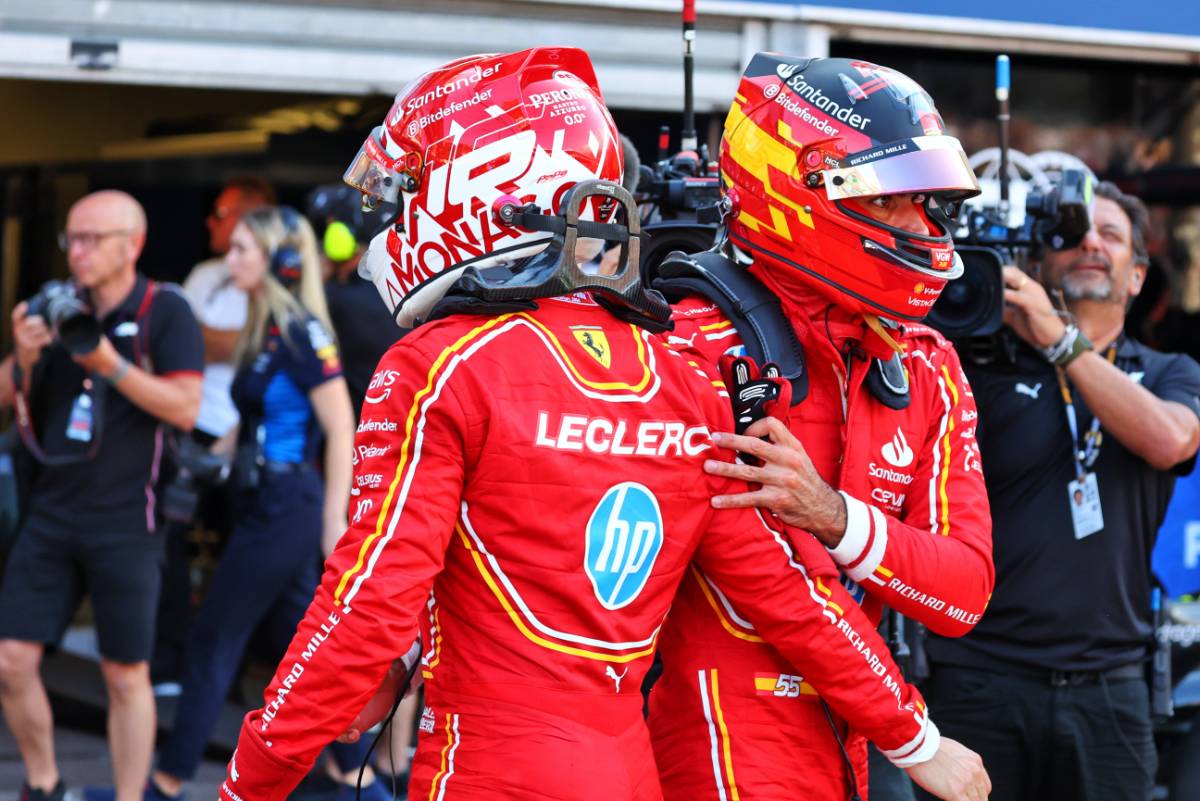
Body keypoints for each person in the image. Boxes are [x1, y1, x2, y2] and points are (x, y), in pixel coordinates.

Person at [217, 48, 989, 801]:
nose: (391, 213)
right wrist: (915, 738)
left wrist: (247, 785)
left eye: (411, 187)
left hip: (489, 765)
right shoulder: (676, 369)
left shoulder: (443, 362)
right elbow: (790, 588)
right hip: (637, 767)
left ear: (481, 185)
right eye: (890, 196)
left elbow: (367, 608)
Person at [644, 54, 995, 801]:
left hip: (858, 737)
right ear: (794, 192)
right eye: (889, 199)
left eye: (927, 200)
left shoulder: (925, 361)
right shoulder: (690, 346)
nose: (921, 226)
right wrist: (916, 736)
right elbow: (773, 591)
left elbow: (964, 593)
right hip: (722, 734)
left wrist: (836, 519)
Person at [919, 181, 1200, 801]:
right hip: (979, 675)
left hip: (1111, 687)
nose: (1092, 244)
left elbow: (1171, 441)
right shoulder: (979, 363)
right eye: (1073, 235)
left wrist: (1059, 340)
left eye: (1111, 236)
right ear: (1038, 263)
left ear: (1137, 276)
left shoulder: (1168, 373)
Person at [128, 206, 379, 801]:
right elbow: (252, 417)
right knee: (316, 654)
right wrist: (202, 459)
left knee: (214, 638)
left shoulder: (301, 330)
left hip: (289, 506)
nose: (230, 259)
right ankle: (357, 779)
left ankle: (166, 782)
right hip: (264, 498)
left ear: (279, 260)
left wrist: (333, 525)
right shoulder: (263, 325)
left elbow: (342, 425)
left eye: (243, 249)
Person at [0, 190, 204, 801]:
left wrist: (108, 362)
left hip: (127, 518)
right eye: (72, 239)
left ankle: (127, 796)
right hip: (53, 510)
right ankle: (43, 784)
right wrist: (25, 357)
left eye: (91, 239)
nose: (78, 252)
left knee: (124, 673)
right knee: (12, 659)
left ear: (132, 244)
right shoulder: (59, 306)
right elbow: (8, 398)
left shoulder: (165, 310)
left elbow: (186, 408)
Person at [152, 177, 276, 688]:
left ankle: (244, 671)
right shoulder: (206, 271)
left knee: (244, 552)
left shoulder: (279, 279)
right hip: (195, 425)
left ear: (252, 218)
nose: (210, 221)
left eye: (222, 213)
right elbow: (180, 342)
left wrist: (215, 340)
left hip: (252, 433)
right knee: (167, 540)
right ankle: (172, 661)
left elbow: (247, 344)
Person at [306, 183, 402, 415]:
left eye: (329, 229)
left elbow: (295, 312)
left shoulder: (340, 299)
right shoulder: (392, 289)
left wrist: (316, 274)